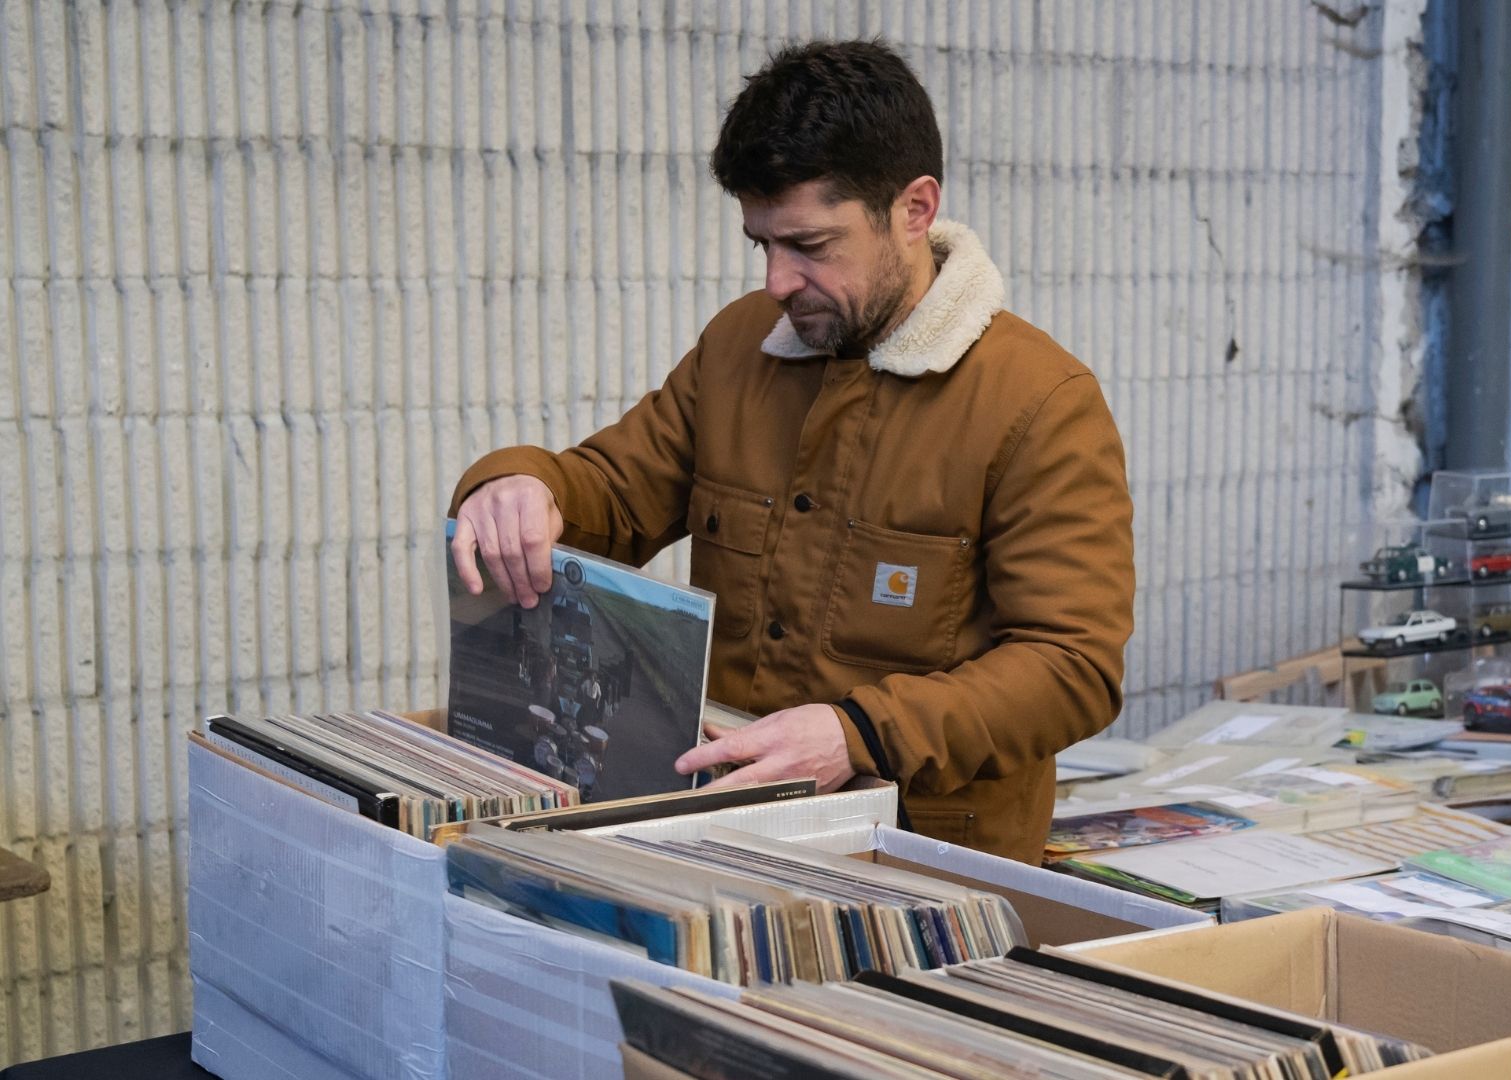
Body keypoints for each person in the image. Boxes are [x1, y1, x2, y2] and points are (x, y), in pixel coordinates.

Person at [447, 39, 1134, 862]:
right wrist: (518, 482)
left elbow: (1072, 666)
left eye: (809, 245)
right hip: (728, 833)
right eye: (761, 244)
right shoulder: (739, 347)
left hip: (925, 863)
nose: (776, 280)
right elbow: (612, 491)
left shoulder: (1041, 403)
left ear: (914, 211)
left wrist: (858, 734)